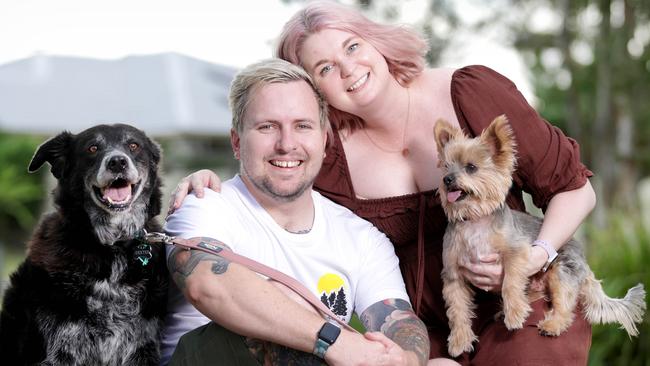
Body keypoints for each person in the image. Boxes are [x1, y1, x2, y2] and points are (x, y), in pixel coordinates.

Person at [169, 1, 596, 364]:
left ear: (376, 42)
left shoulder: (471, 93)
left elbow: (574, 188)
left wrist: (536, 257)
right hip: (420, 325)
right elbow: (277, 173)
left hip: (519, 293)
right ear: (315, 91)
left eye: (353, 46)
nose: (349, 69)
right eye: (325, 67)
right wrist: (209, 181)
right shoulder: (330, 152)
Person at [161, 58, 457, 366]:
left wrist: (404, 358)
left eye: (302, 126)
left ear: (325, 140)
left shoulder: (360, 236)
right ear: (237, 142)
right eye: (267, 127)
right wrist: (336, 342)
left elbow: (400, 323)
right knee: (287, 301)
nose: (287, 144)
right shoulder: (205, 202)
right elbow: (206, 283)